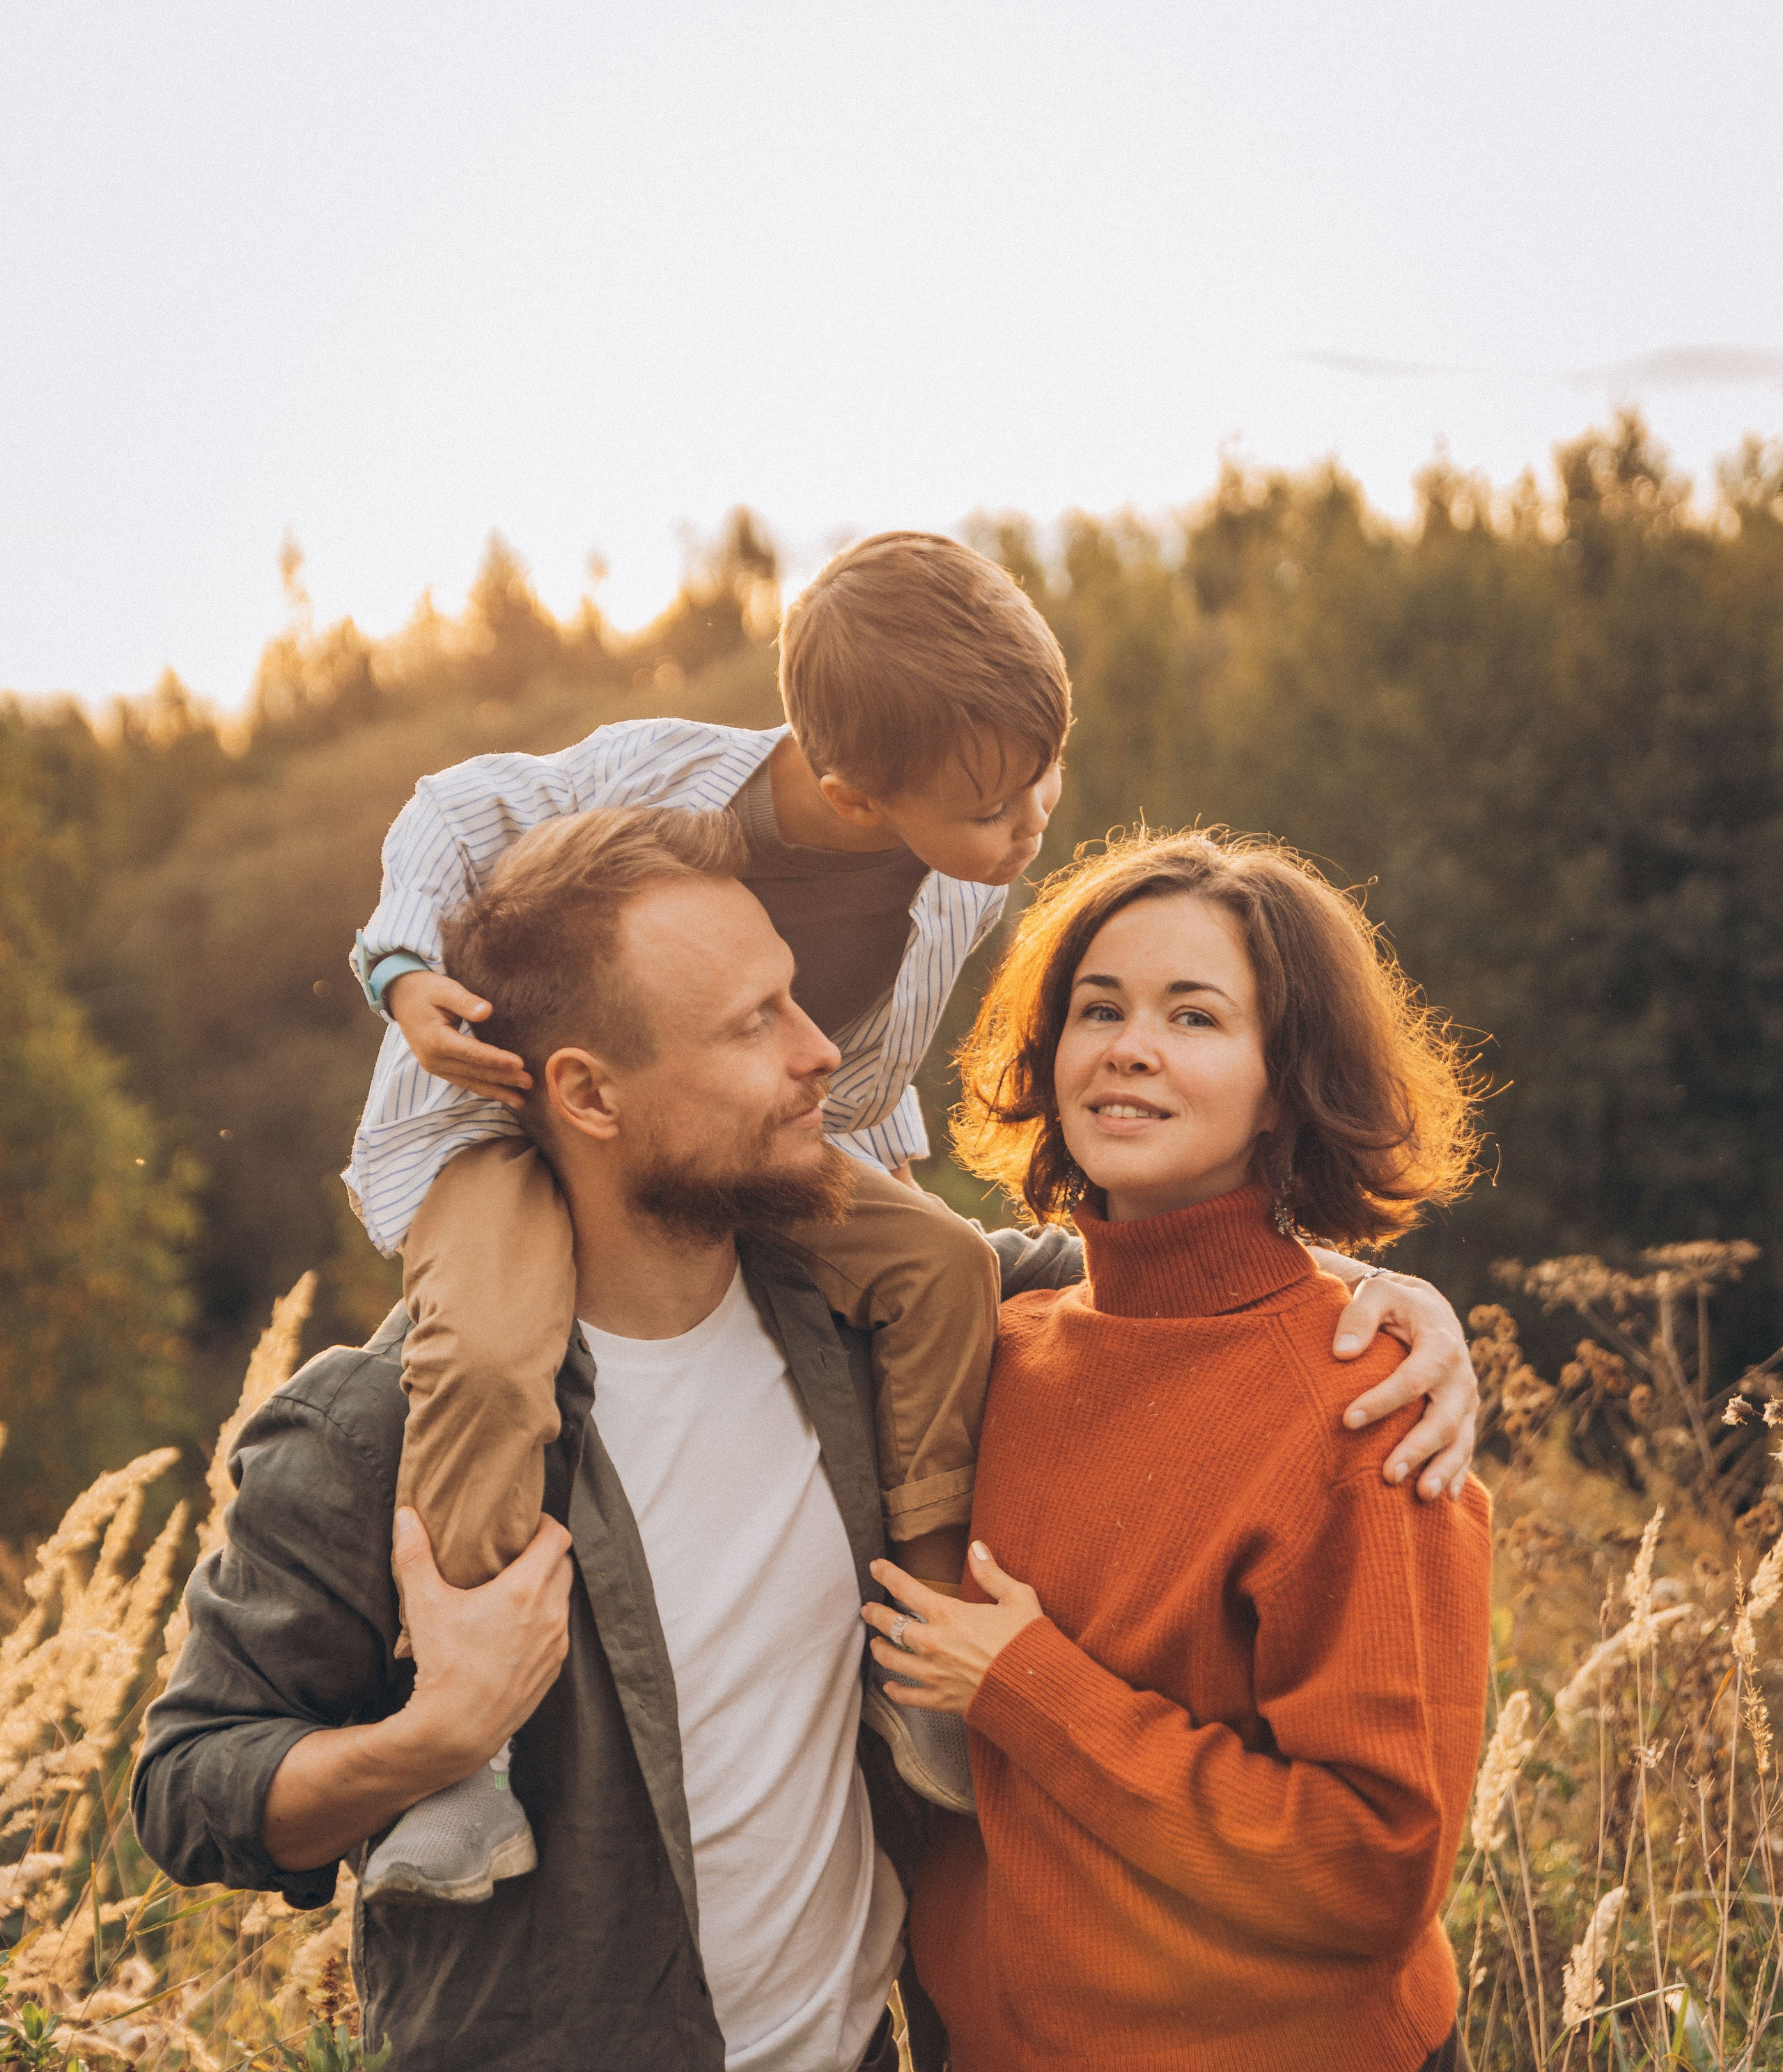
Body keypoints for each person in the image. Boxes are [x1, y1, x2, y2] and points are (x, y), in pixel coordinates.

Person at [137, 805, 1087, 2072]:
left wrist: (1399, 1309)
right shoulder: (386, 1428)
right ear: (582, 1092)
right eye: (750, 1030)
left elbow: (1168, 1296)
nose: (820, 1057)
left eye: (798, 1000)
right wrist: (429, 1744)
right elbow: (191, 1782)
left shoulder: (864, 1334)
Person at [343, 531, 1482, 1897]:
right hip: (510, 1125)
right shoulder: (675, 790)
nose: (1032, 824)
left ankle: (926, 1659)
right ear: (848, 788)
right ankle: (470, 1771)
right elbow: (459, 809)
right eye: (999, 802)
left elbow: (889, 1098)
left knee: (937, 1262)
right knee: (486, 1349)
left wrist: (1358, 1282)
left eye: (1042, 771)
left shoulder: (954, 867)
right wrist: (404, 971)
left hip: (762, 1147)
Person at [866, 830, 1578, 2072]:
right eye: (1095, 1006)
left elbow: (1365, 1863)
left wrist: (1030, 1689)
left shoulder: (1355, 1401)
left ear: (1283, 1080)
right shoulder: (996, 1349)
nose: (1127, 1045)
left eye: (1194, 1014)